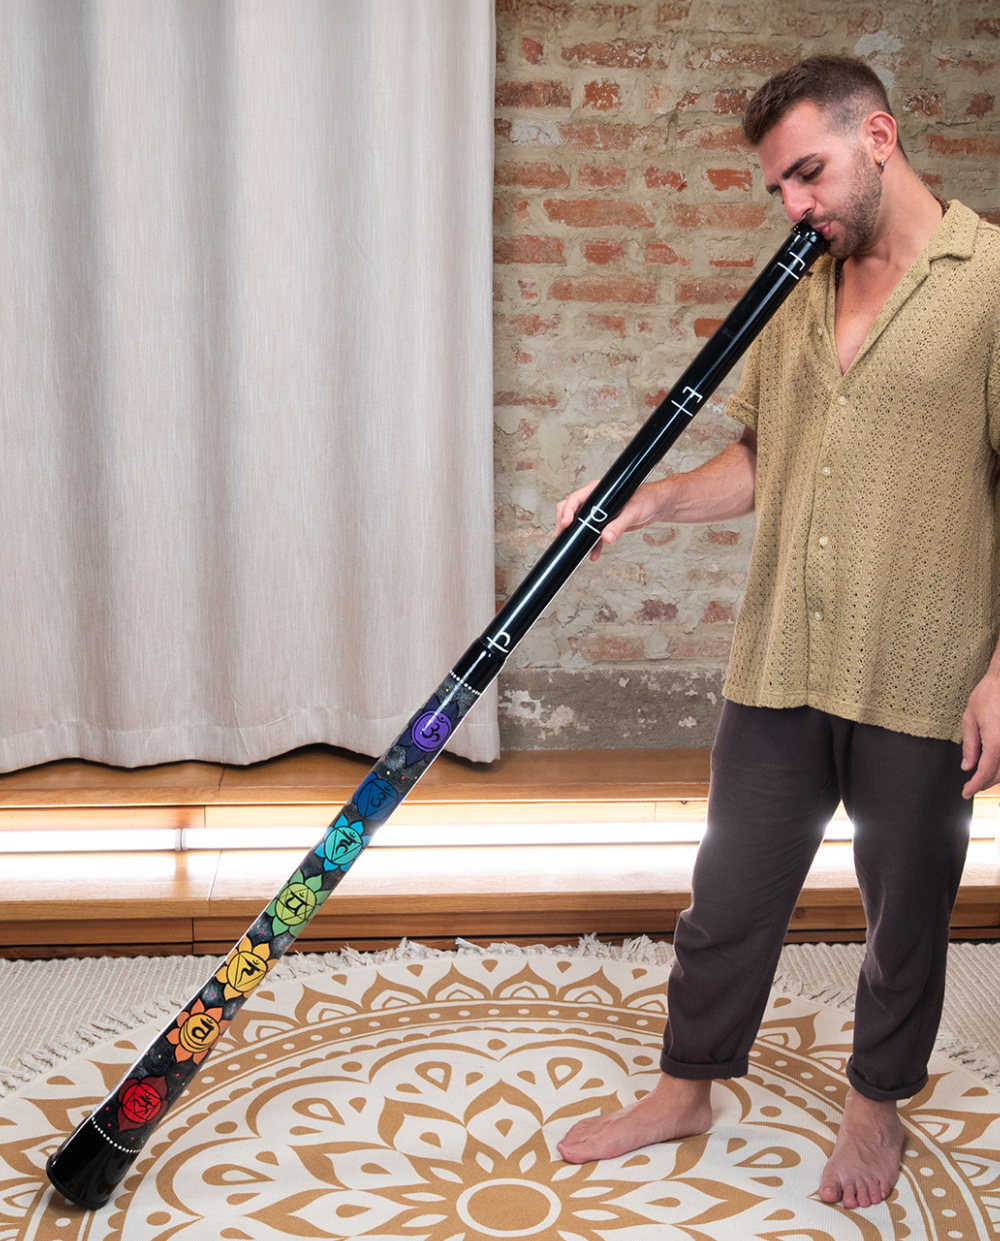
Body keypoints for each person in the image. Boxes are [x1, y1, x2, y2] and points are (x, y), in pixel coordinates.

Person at [552, 54, 1000, 1211]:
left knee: (905, 907)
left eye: (808, 173)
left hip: (921, 658)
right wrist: (648, 502)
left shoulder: (990, 281)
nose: (794, 205)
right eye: (778, 189)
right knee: (729, 888)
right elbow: (761, 459)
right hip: (782, 652)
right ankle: (684, 1086)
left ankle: (874, 1104)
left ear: (878, 138)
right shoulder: (795, 289)